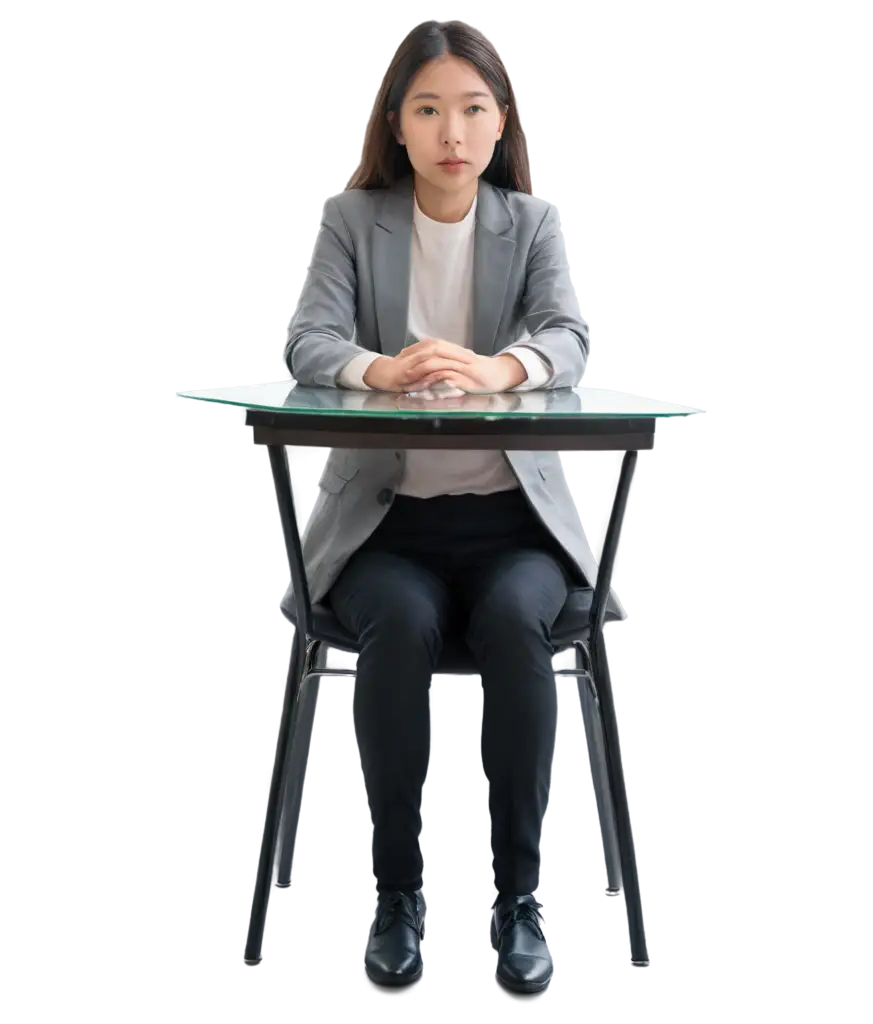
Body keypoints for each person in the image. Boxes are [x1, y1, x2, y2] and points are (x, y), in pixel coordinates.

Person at [283, 18, 598, 994]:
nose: (450, 130)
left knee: (514, 622)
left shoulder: (534, 224)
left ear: (498, 124)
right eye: (428, 109)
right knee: (401, 622)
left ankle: (519, 904)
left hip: (515, 526)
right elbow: (306, 341)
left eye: (471, 108)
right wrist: (381, 367)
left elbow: (570, 337)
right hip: (389, 530)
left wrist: (504, 368)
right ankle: (393, 896)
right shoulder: (351, 218)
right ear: (398, 123)